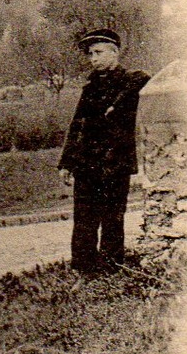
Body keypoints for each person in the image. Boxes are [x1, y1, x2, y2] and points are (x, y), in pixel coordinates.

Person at [57, 28, 151, 275]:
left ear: (115, 52)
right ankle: (84, 271)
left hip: (115, 164)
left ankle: (110, 270)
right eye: (90, 54)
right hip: (87, 164)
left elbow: (144, 78)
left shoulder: (130, 82)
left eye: (98, 52)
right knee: (84, 221)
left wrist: (115, 105)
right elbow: (77, 124)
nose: (93, 59)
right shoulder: (90, 88)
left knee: (112, 220)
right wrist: (67, 163)